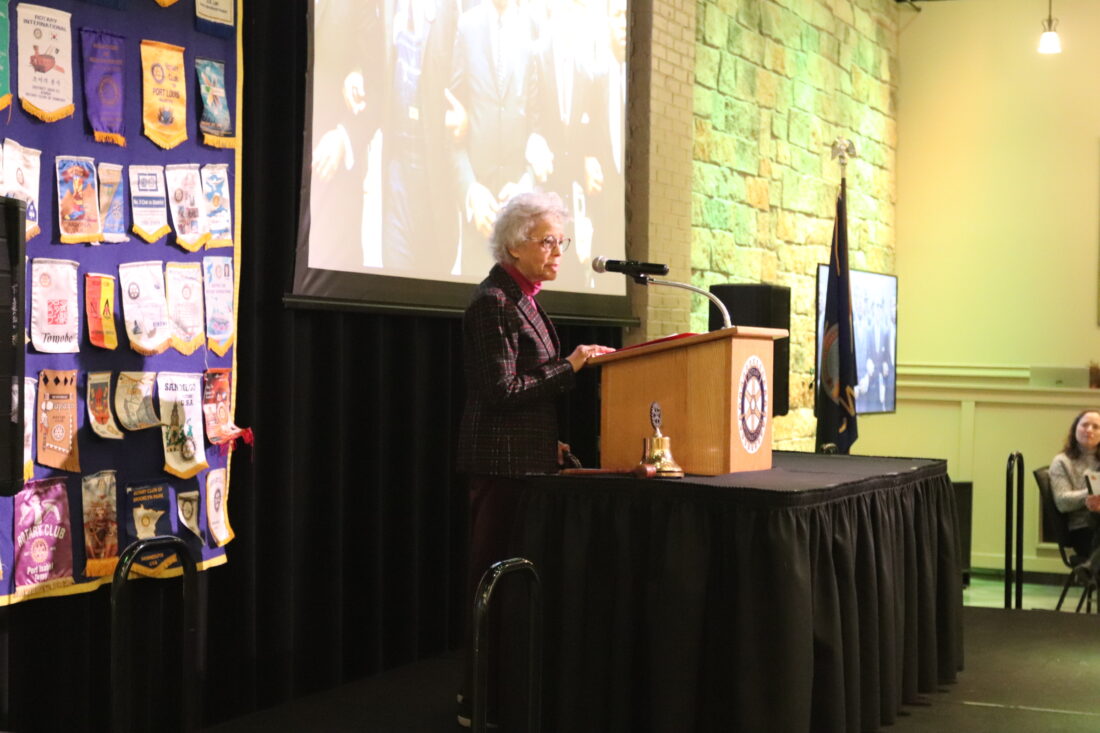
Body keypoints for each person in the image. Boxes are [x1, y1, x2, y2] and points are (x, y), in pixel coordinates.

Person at [455, 190, 613, 727]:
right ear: (516, 244)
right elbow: (501, 391)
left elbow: (525, 391)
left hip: (526, 462)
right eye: (548, 241)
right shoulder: (492, 303)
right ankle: (478, 702)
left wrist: (550, 442)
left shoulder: (525, 297)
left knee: (517, 589)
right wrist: (571, 366)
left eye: (561, 242)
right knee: (492, 584)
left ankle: (508, 695)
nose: (557, 252)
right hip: (499, 468)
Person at [1049, 410, 1100, 566]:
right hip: (1083, 529)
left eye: (1096, 427)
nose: (1089, 430)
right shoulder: (1062, 462)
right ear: (1075, 429)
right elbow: (1062, 502)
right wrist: (1091, 495)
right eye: (1085, 425)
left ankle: (1092, 568)